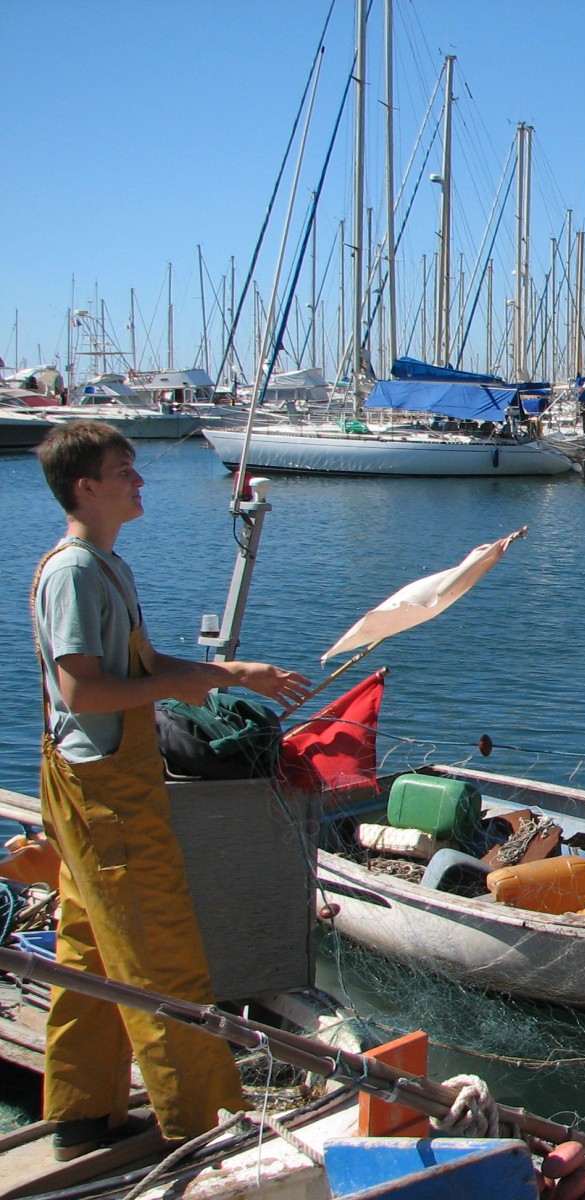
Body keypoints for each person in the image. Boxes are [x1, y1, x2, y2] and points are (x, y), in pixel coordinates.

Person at [30, 421, 311, 1160]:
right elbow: (81, 691)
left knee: (88, 948)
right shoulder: (75, 572)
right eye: (126, 471)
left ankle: (83, 1112)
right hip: (104, 793)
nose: (141, 481)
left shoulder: (104, 564)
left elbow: (142, 660)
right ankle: (207, 1124)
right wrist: (186, 684)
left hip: (105, 786)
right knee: (161, 955)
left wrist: (231, 674)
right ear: (86, 487)